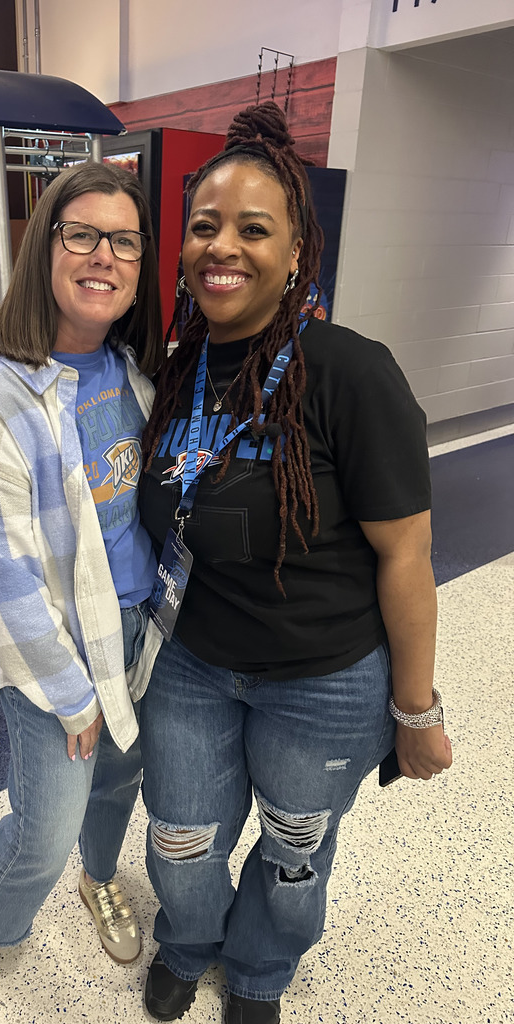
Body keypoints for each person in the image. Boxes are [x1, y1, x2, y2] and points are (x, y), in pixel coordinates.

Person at [137, 101, 453, 1024]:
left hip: (324, 681)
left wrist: (416, 710)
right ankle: (189, 943)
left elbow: (408, 555)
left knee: (293, 847)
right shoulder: (179, 363)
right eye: (204, 226)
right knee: (182, 841)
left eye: (252, 229)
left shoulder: (350, 370)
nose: (221, 247)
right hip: (190, 666)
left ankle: (262, 970)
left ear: (297, 253)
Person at [0, 161, 164, 1001]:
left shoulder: (140, 374)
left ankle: (98, 879)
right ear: (45, 248)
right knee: (45, 826)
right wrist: (73, 694)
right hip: (56, 660)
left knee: (118, 785)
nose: (103, 255)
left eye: (124, 240)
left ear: (141, 266)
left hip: (144, 633)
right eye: (81, 234)